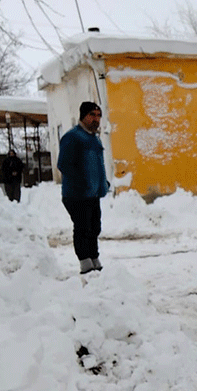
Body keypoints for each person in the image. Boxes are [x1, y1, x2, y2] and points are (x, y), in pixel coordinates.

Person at [58, 101, 110, 274]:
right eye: (92, 115)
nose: (96, 119)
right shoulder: (73, 137)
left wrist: (103, 183)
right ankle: (85, 263)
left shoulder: (94, 139)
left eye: (98, 116)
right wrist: (80, 183)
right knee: (83, 227)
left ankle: (94, 257)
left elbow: (97, 165)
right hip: (77, 194)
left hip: (93, 193)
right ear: (83, 116)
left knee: (95, 227)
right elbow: (64, 164)